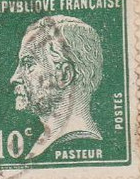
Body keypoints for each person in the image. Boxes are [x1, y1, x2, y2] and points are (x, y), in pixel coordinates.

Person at [10, 15, 104, 160]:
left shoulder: (77, 144)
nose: (14, 78)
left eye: (28, 64)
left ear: (64, 75)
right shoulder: (48, 145)